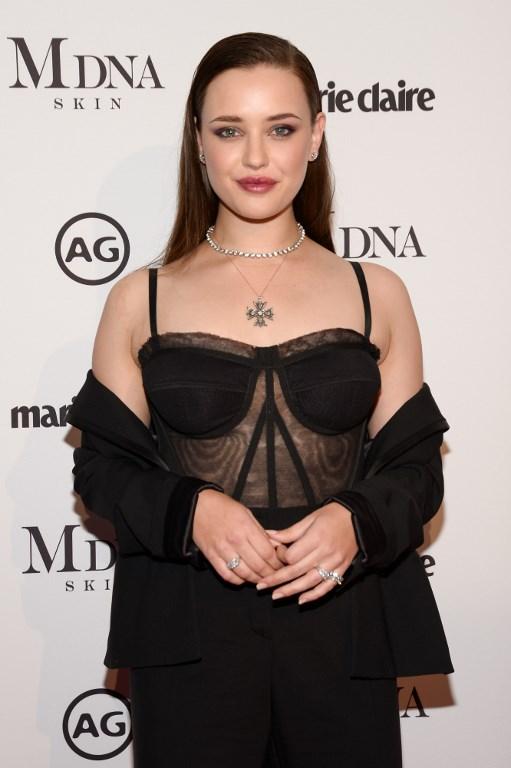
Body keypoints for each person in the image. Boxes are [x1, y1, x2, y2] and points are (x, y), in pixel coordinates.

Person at [67, 32, 454, 768]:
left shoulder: (376, 292)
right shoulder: (141, 298)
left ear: (316, 135)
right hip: (187, 632)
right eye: (228, 131)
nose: (254, 157)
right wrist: (192, 509)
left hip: (342, 621)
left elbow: (416, 472)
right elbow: (102, 473)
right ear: (197, 140)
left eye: (279, 128)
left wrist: (355, 520)